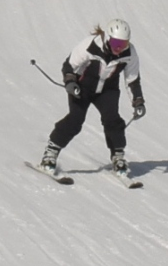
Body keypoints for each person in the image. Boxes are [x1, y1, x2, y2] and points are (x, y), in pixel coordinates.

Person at [40, 18, 145, 175]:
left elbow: (133, 79)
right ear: (108, 38)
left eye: (123, 44)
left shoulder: (130, 53)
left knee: (112, 119)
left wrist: (138, 101)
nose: (119, 48)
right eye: (116, 43)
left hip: (107, 90)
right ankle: (51, 152)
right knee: (75, 119)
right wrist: (70, 82)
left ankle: (118, 157)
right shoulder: (91, 45)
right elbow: (70, 65)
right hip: (83, 87)